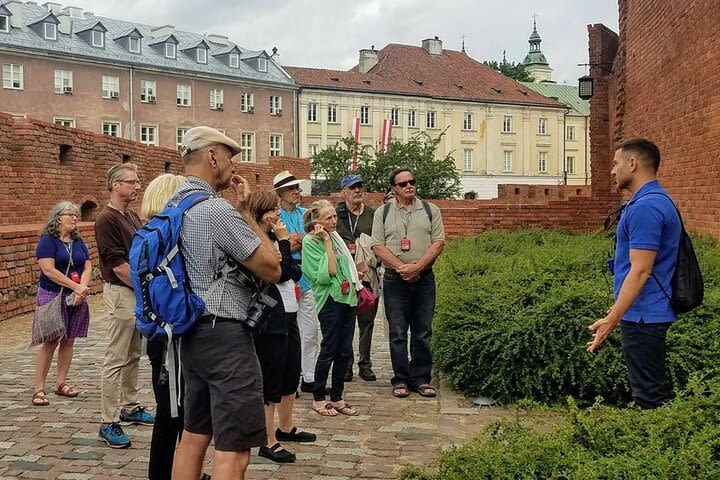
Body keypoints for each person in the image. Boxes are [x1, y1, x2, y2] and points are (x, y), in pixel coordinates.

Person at [169, 126, 280, 480]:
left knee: (193, 436)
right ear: (212, 156)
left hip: (191, 333)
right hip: (226, 336)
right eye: (230, 156)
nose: (234, 164)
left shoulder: (173, 204)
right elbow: (272, 266)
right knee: (234, 449)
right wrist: (246, 213)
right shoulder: (217, 210)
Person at [587, 138, 681, 409]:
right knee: (649, 392)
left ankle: (657, 446)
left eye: (616, 163)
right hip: (644, 313)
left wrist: (611, 318)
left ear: (633, 163)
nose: (613, 170)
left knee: (649, 399)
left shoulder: (646, 208)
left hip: (644, 316)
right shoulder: (652, 201)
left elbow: (641, 271)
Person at [247, 190, 317, 464]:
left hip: (290, 309)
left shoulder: (273, 238)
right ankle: (267, 439)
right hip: (272, 313)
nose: (279, 214)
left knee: (290, 370)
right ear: (262, 213)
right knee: (272, 377)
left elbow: (292, 268)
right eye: (274, 210)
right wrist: (287, 243)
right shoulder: (259, 240)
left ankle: (285, 427)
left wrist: (286, 245)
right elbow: (282, 271)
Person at [371, 167, 445, 399]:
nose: (409, 186)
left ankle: (422, 378)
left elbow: (438, 242)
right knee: (398, 332)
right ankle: (401, 378)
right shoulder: (382, 213)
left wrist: (418, 266)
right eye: (403, 184)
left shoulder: (430, 210)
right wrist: (402, 268)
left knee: (423, 332)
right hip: (395, 280)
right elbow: (378, 246)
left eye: (411, 181)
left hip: (424, 279)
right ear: (394, 188)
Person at [95, 163, 155, 448]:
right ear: (115, 185)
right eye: (131, 182)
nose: (137, 186)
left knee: (133, 353)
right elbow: (118, 265)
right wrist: (145, 288)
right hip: (121, 292)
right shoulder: (106, 219)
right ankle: (108, 421)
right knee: (116, 357)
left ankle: (130, 406)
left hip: (134, 291)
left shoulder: (130, 215)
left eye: (137, 181)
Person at [139, 173, 188, 480]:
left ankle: (181, 470)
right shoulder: (165, 237)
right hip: (172, 335)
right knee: (172, 412)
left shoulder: (145, 235)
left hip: (157, 332)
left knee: (174, 411)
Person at [301, 200, 361, 417]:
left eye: (335, 216)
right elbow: (330, 271)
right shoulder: (311, 242)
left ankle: (337, 396)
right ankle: (318, 396)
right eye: (328, 218)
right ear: (317, 222)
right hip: (329, 300)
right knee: (329, 348)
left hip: (347, 298)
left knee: (344, 350)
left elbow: (346, 267)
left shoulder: (337, 239)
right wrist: (325, 240)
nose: (334, 221)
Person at [31, 202, 92, 407]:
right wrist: (75, 288)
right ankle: (39, 388)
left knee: (69, 340)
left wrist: (81, 288)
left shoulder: (77, 241)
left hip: (76, 296)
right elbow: (48, 270)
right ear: (58, 218)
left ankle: (60, 383)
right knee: (51, 340)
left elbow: (87, 265)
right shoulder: (47, 241)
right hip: (53, 295)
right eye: (70, 214)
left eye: (77, 214)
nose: (75, 218)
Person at [275, 171, 320, 393]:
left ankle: (309, 377)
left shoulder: (306, 215)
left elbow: (315, 240)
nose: (297, 192)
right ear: (280, 193)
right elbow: (280, 248)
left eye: (297, 188)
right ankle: (288, 376)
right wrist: (299, 241)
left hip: (307, 278)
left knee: (310, 331)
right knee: (287, 332)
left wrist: (296, 240)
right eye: (291, 188)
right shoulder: (274, 216)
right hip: (285, 280)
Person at [335, 174, 379, 382]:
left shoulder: (373, 215)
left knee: (367, 322)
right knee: (345, 322)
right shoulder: (336, 215)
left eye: (360, 186)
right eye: (353, 187)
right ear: (344, 191)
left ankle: (365, 364)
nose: (358, 191)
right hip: (344, 276)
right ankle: (346, 365)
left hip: (368, 274)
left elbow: (380, 242)